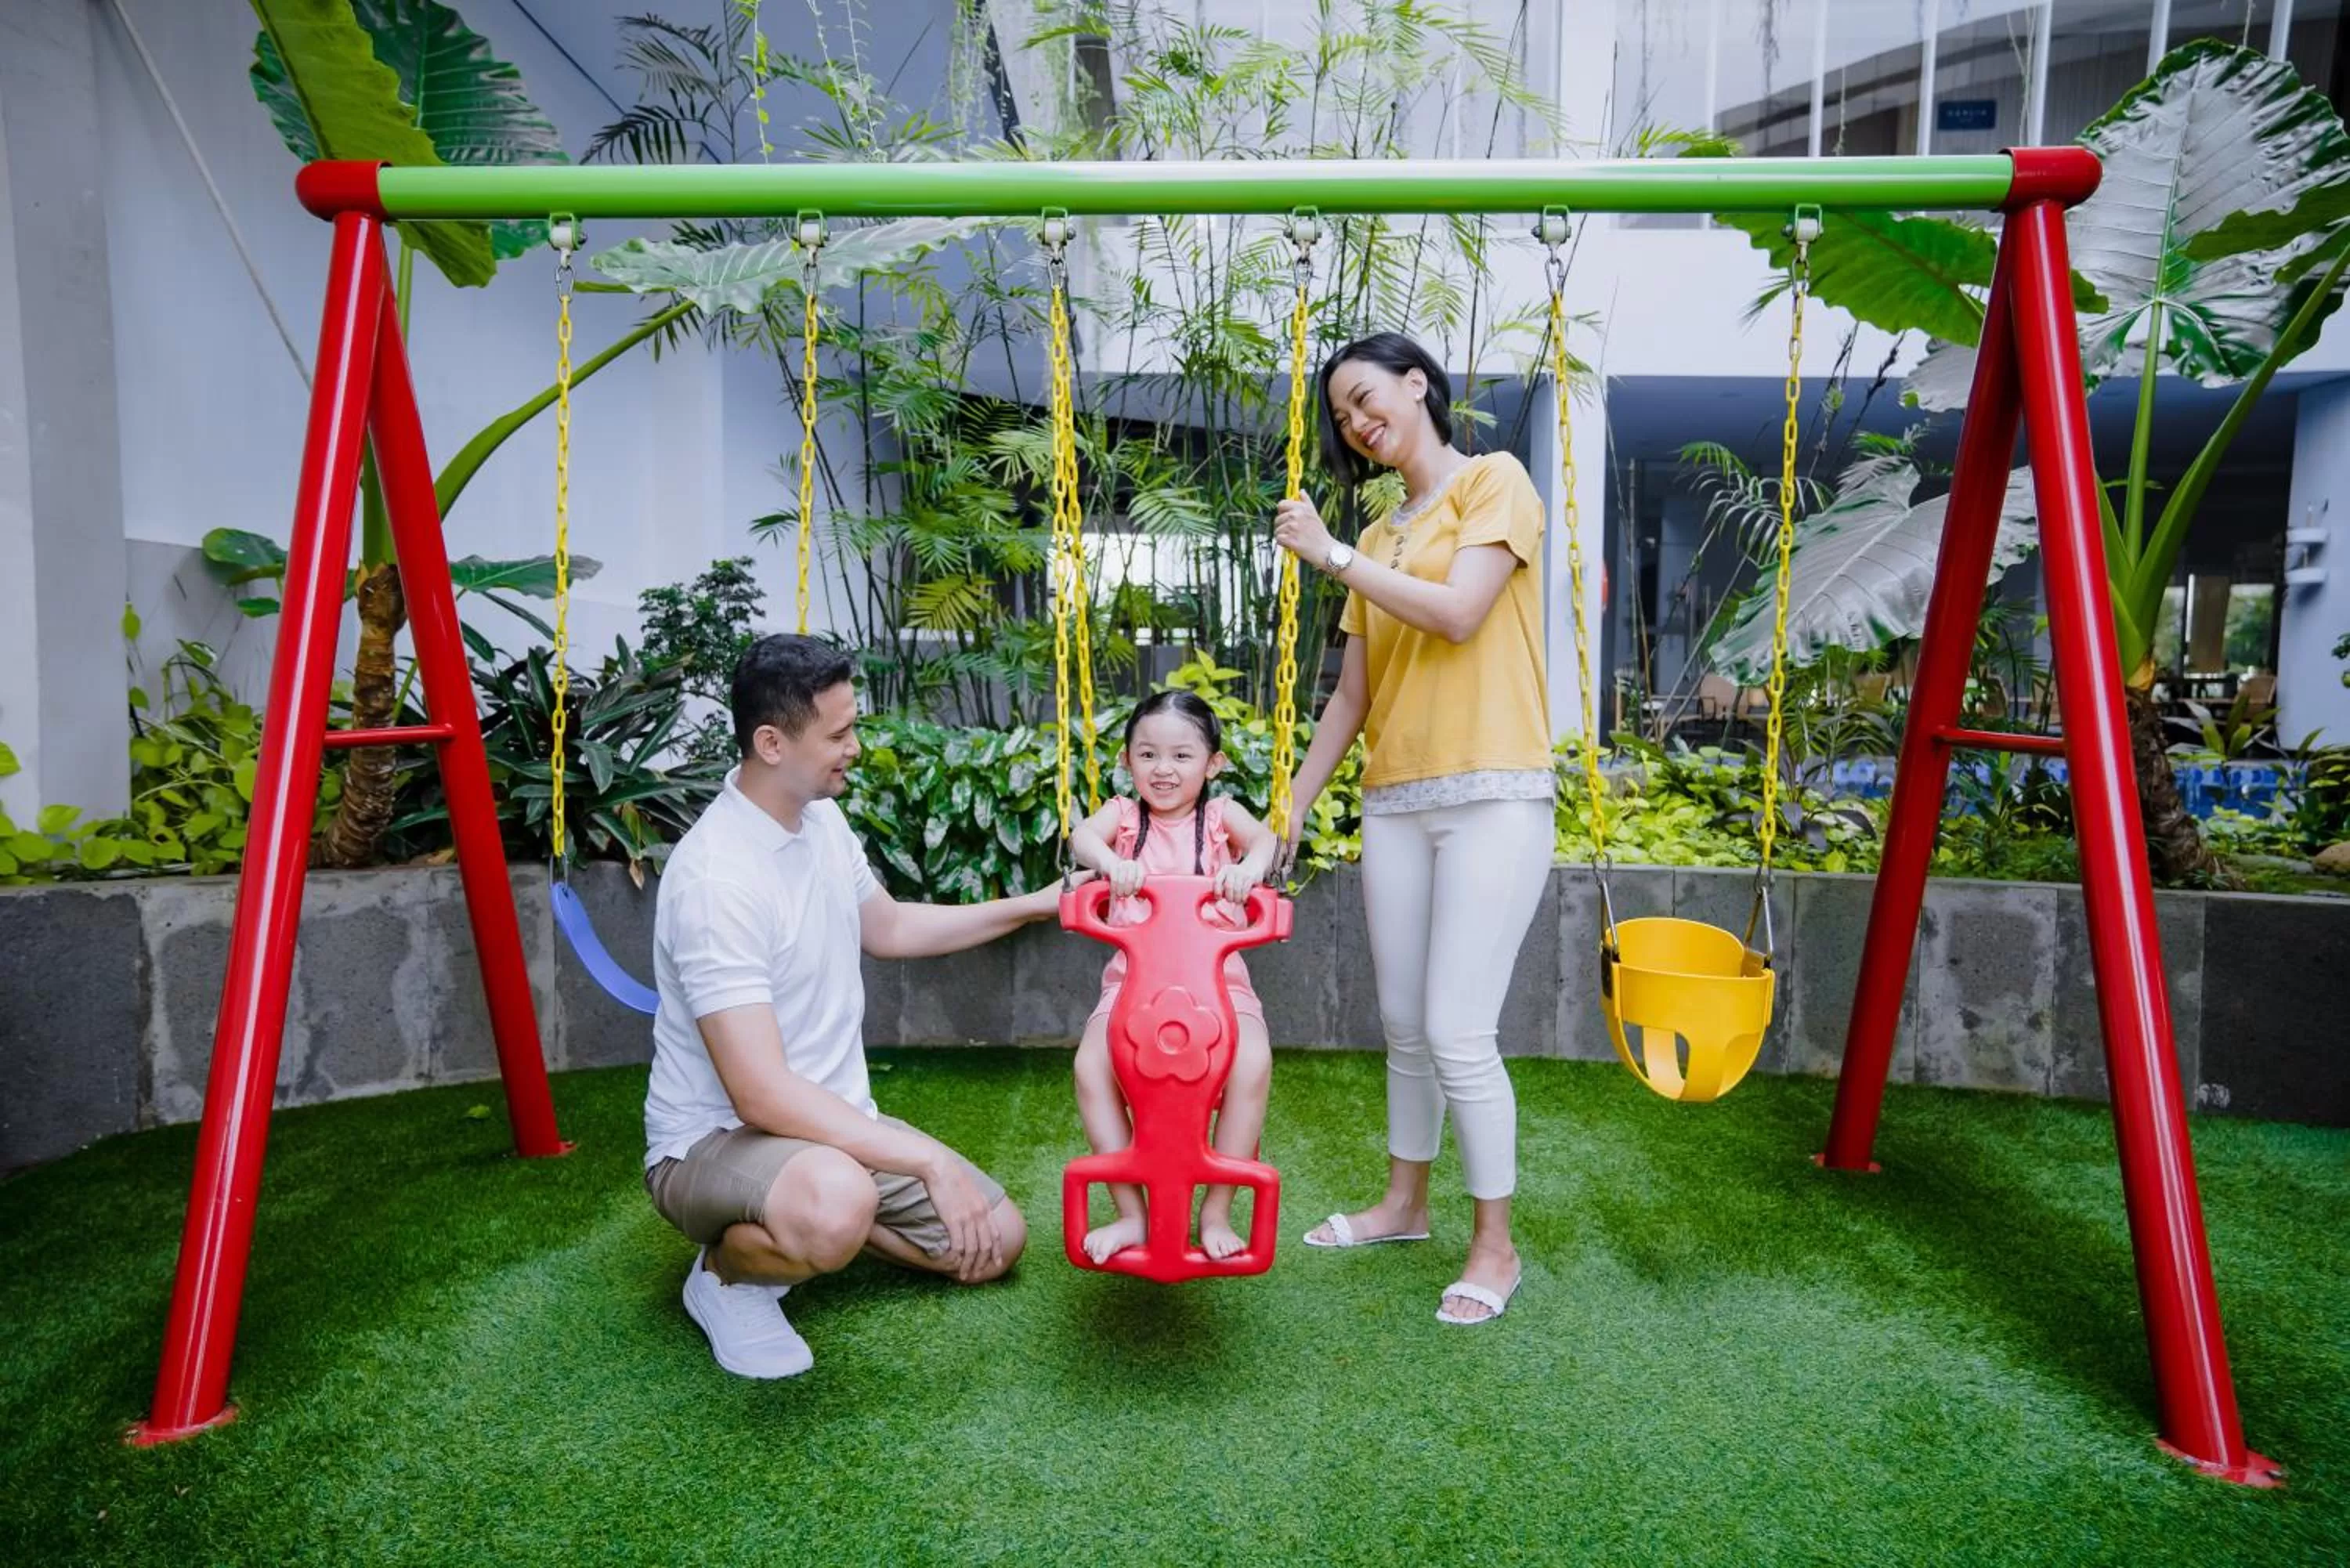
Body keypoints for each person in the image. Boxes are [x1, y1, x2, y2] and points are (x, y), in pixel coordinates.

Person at [642, 634, 1066, 1378]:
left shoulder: (820, 822)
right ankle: (725, 1277)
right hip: (713, 1142)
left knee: (994, 1243)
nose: (856, 747)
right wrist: (926, 1159)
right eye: (839, 734)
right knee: (837, 1197)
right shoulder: (717, 880)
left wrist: (1035, 906)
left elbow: (892, 927)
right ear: (771, 742)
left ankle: (836, 1221)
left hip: (833, 1128)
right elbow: (760, 1092)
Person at [1269, 332, 1554, 1327]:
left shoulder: (1496, 481)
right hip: (1397, 802)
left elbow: (1463, 613)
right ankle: (1403, 1202)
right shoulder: (1384, 533)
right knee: (1402, 1027)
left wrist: (1332, 555)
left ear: (1416, 383)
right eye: (1342, 415)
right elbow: (1352, 696)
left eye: (1364, 398)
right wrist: (1293, 809)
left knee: (1457, 1030)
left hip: (1494, 795)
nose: (1355, 423)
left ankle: (1495, 1243)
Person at [1064, 691, 1279, 1263]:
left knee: (1251, 1062)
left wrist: (1247, 870)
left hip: (1219, 986)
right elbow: (1082, 836)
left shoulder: (1219, 817)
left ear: (1213, 764)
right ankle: (1132, 1214)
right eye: (1148, 754)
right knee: (1091, 1065)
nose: (1163, 769)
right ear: (1128, 760)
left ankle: (1215, 1211)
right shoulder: (1126, 819)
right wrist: (1111, 865)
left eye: (1182, 756)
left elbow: (1265, 839)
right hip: (1132, 985)